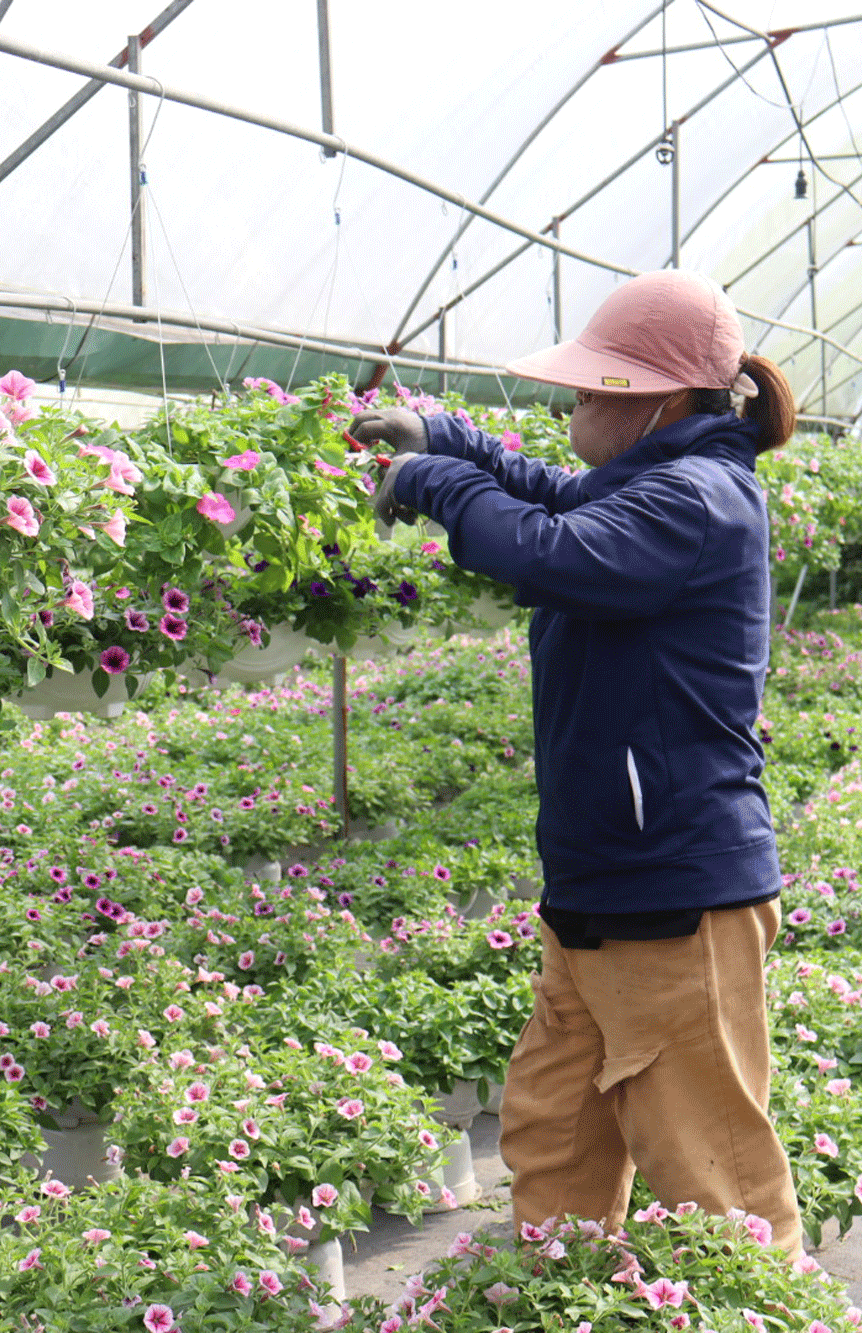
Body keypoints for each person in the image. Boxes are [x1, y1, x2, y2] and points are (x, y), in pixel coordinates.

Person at [349, 269, 806, 1257]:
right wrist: (454, 442)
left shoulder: (696, 498)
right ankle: (558, 1299)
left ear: (658, 400)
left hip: (672, 892)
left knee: (710, 1179)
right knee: (554, 1135)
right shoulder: (656, 480)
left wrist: (434, 482)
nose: (574, 400)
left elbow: (552, 548)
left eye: (595, 384)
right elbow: (562, 496)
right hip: (600, 881)